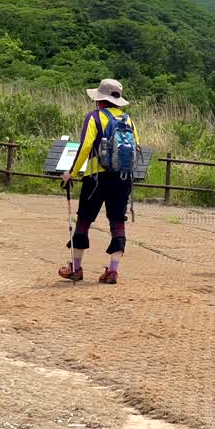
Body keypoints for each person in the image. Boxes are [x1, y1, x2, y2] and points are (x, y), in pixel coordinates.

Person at [58, 78, 136, 285]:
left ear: (99, 100)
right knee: (117, 222)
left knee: (84, 219)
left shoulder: (94, 117)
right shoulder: (128, 120)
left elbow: (85, 147)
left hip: (96, 178)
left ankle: (76, 268)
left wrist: (71, 172)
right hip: (123, 178)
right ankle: (113, 271)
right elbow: (135, 149)